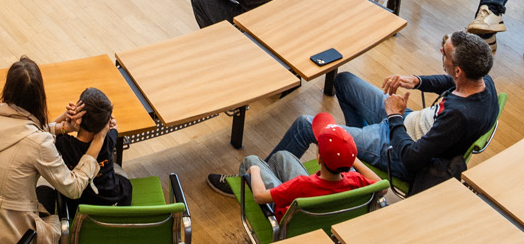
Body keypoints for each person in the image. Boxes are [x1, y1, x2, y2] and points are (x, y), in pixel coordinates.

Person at [265, 32, 498, 186]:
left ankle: (262, 176)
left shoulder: (458, 116)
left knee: (306, 125)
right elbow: (450, 82)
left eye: (444, 53)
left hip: (396, 148)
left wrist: (394, 116)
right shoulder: (483, 82)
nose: (440, 53)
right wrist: (417, 81)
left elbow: (411, 159)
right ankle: (353, 154)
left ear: (459, 71)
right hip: (407, 122)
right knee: (344, 81)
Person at [0, 57, 113, 244]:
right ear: (39, 96)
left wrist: (62, 127)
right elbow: (73, 188)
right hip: (2, 233)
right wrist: (99, 139)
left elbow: (19, 134)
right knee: (48, 197)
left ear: (8, 89)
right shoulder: (39, 143)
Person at [209, 110, 371, 219]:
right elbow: (381, 185)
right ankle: (262, 170)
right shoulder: (355, 180)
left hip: (289, 218)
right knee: (283, 156)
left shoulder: (302, 185)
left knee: (250, 161)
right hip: (323, 212)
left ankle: (244, 178)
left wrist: (255, 170)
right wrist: (352, 159)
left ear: (319, 159)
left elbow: (260, 196)